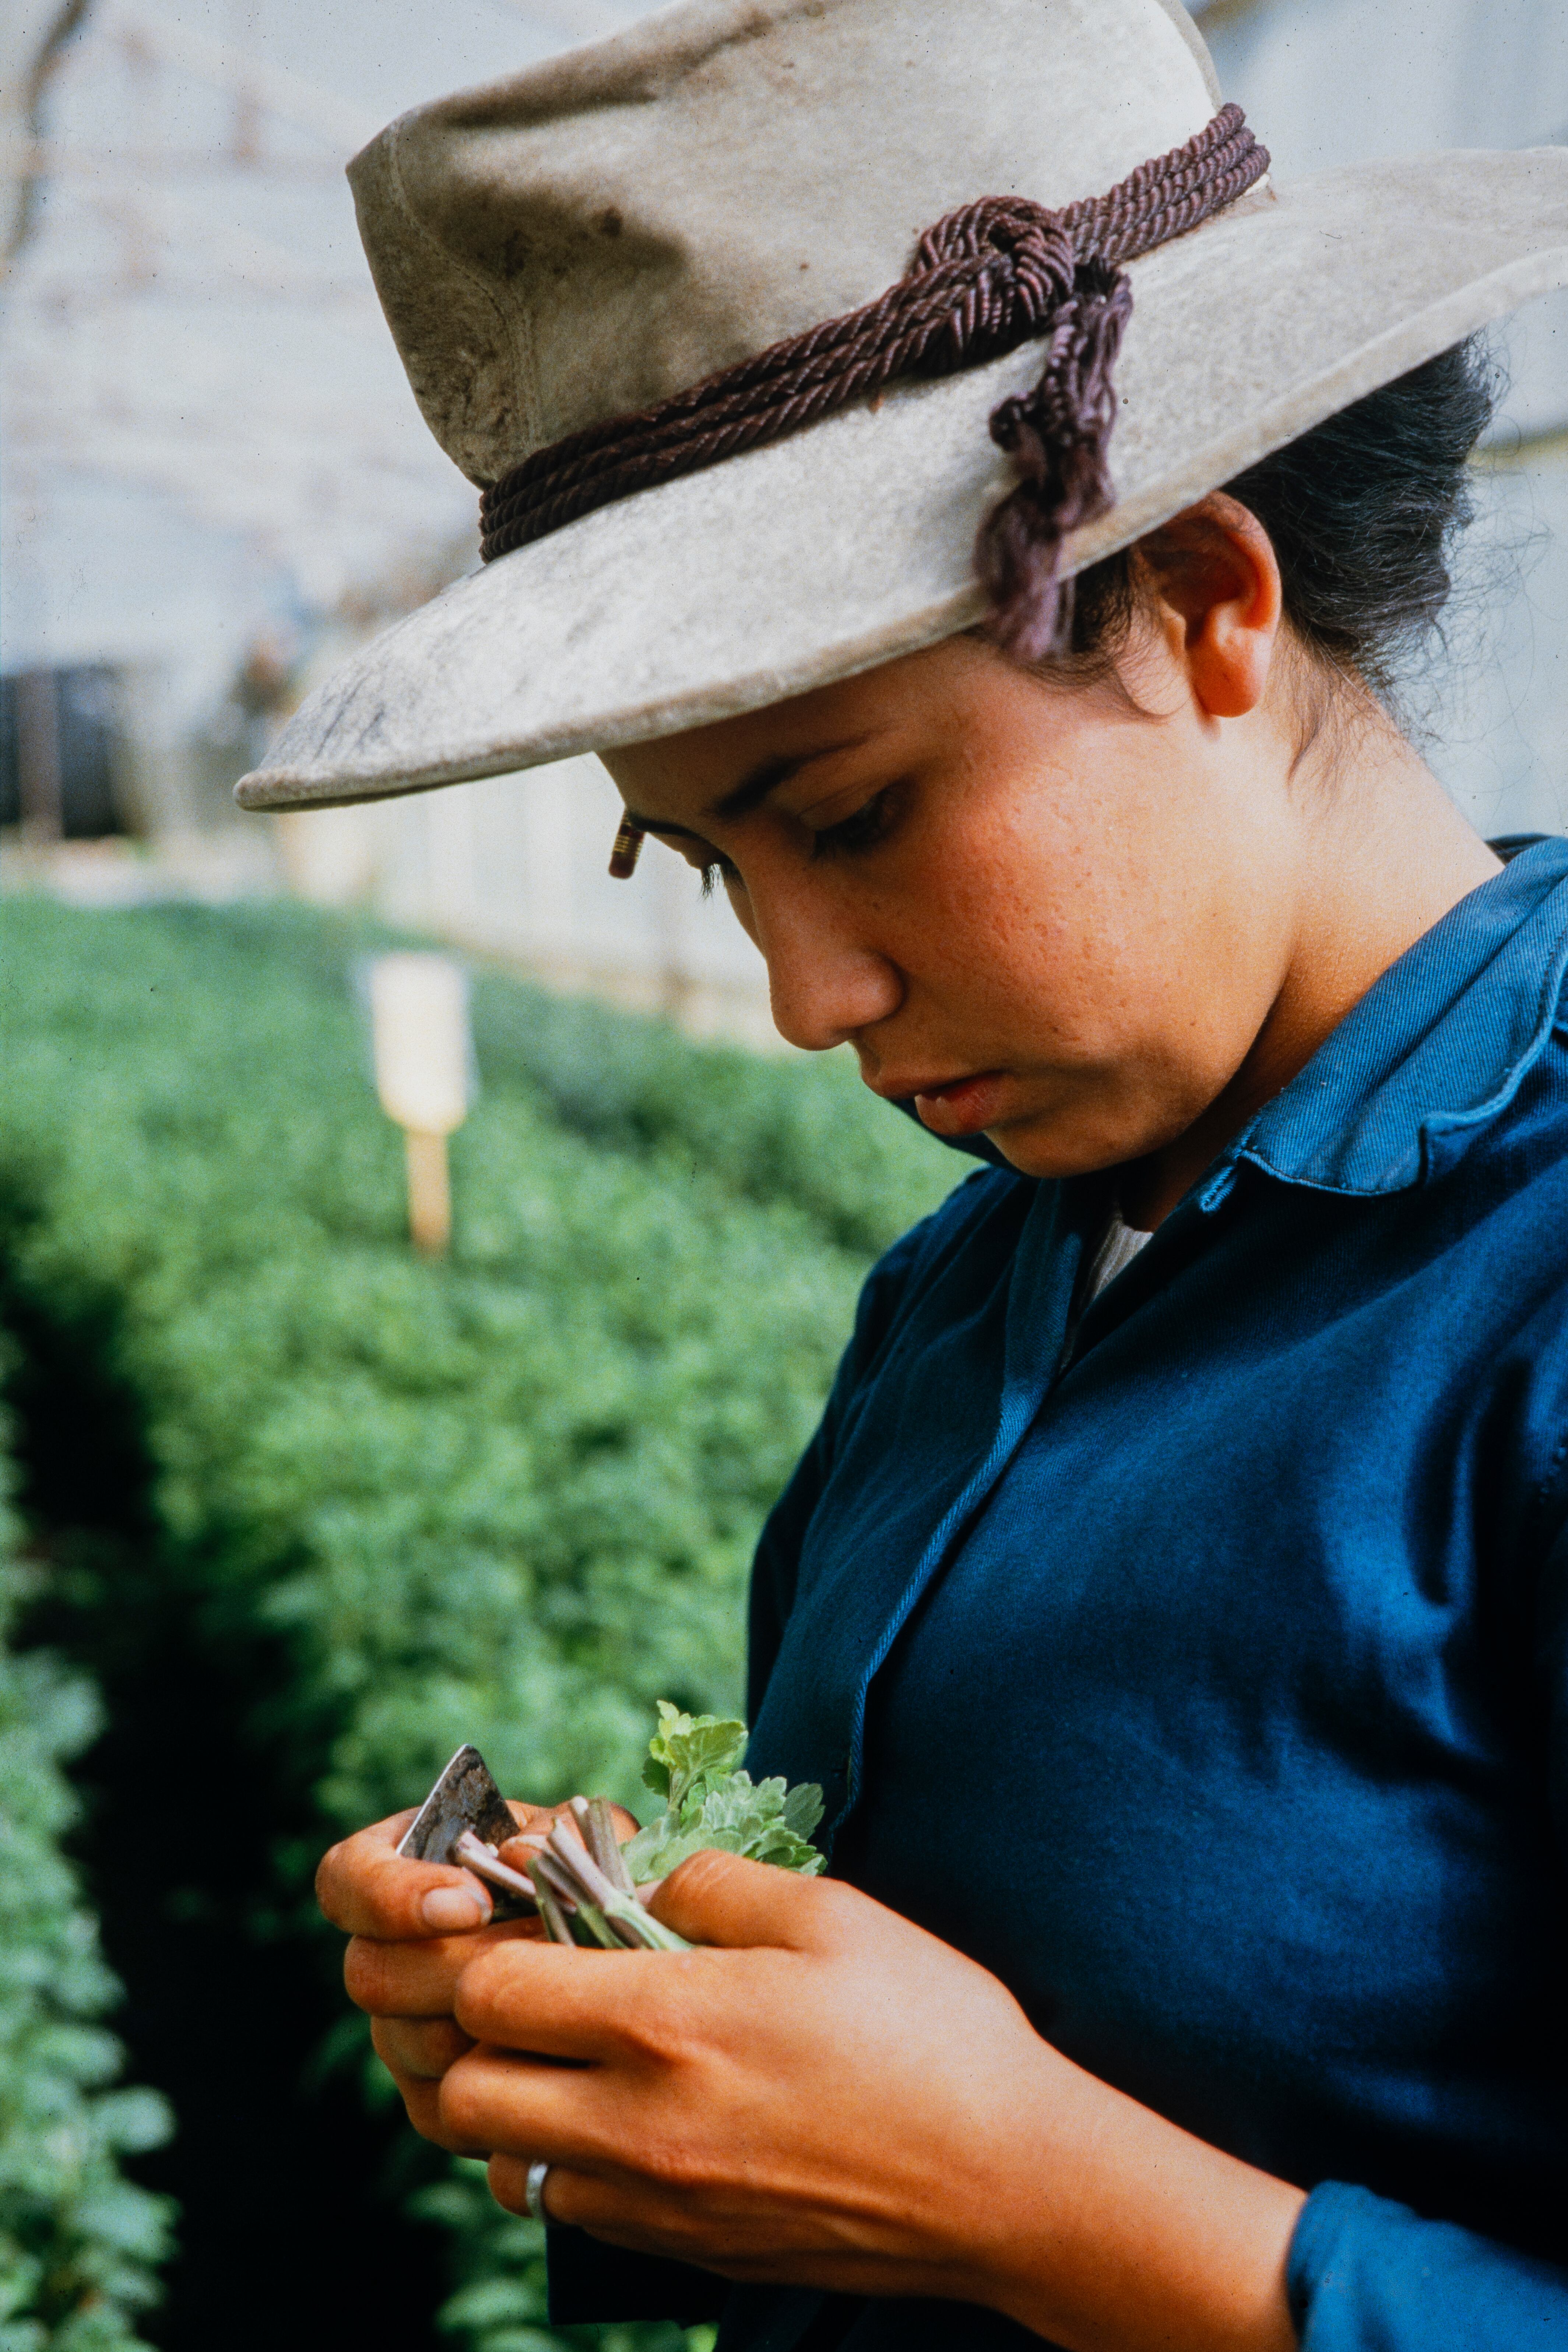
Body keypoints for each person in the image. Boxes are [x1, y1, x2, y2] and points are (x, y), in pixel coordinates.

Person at [268, 3, 1568, 2345]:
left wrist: (1039, 2199)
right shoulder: (972, 1292)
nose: (801, 993)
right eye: (701, 865)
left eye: (853, 813)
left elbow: (1012, 2166)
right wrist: (618, 2014)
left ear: (1203, 599)